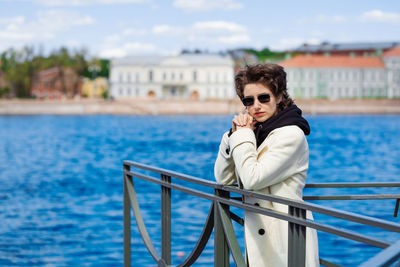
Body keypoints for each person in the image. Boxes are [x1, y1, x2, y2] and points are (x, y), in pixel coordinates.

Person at [214, 63, 319, 267]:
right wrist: (230, 136)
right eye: (248, 100)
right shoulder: (255, 132)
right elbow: (223, 179)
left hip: (286, 237)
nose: (256, 106)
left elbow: (252, 179)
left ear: (279, 96)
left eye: (264, 97)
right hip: (259, 235)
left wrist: (242, 135)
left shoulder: (291, 134)